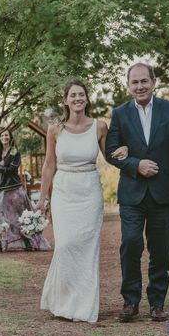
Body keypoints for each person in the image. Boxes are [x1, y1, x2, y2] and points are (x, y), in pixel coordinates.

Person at [104, 62, 169, 322]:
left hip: (163, 193)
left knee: (161, 249)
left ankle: (157, 303)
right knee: (131, 243)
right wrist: (135, 164)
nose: (140, 86)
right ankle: (130, 301)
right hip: (132, 193)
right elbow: (111, 151)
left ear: (154, 82)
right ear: (128, 85)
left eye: (144, 81)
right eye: (135, 82)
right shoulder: (120, 114)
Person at [37, 80, 126, 323]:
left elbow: (110, 156)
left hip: (89, 191)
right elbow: (49, 164)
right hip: (64, 191)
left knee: (87, 249)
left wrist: (124, 152)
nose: (78, 98)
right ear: (65, 100)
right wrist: (42, 197)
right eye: (73, 95)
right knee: (65, 245)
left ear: (86, 99)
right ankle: (63, 301)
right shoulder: (55, 129)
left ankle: (84, 306)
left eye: (81, 95)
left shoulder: (99, 126)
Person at [0, 129, 49, 251]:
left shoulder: (14, 151)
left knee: (21, 216)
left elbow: (10, 170)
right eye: (2, 135)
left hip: (14, 188)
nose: (4, 137)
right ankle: (0, 244)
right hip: (1, 189)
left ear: (10, 137)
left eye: (6, 135)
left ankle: (29, 241)